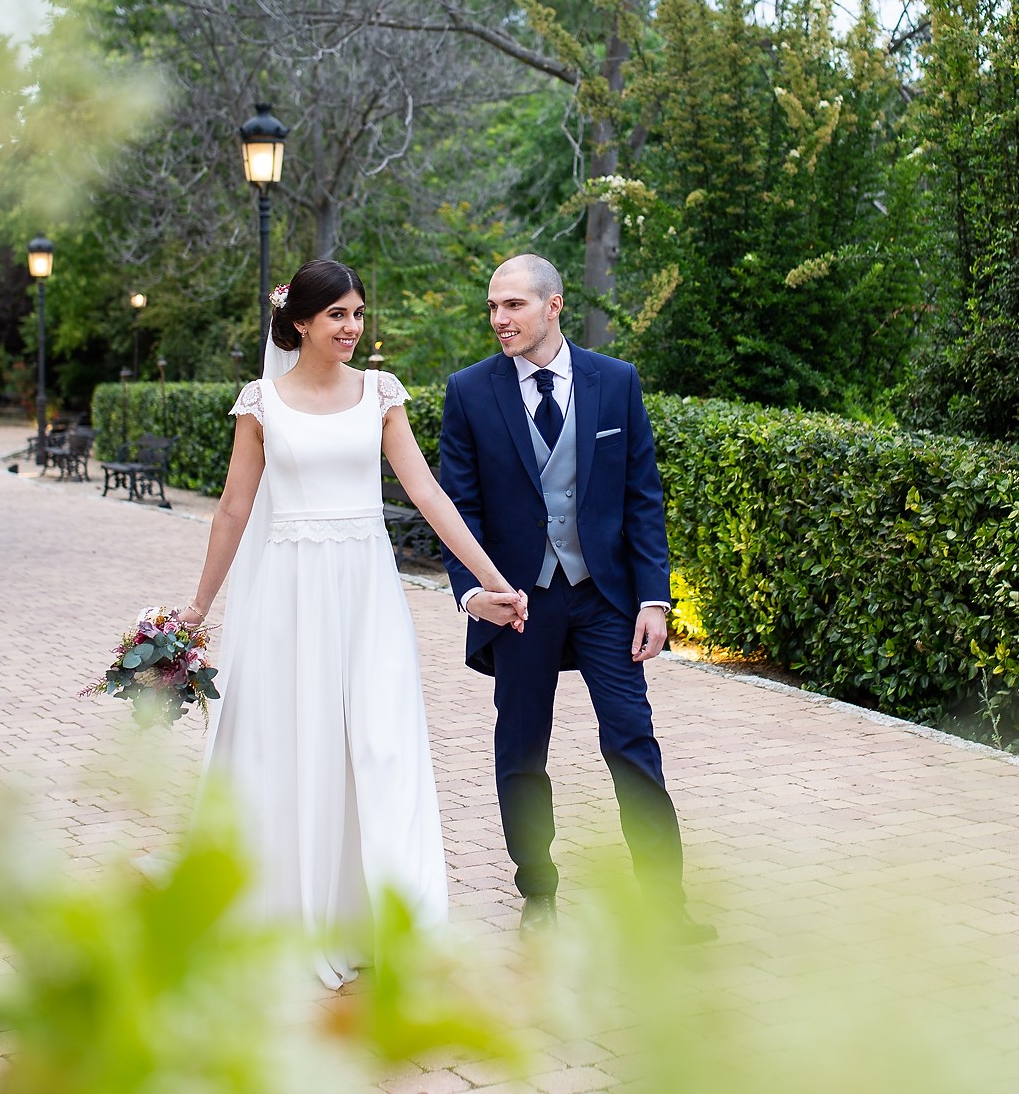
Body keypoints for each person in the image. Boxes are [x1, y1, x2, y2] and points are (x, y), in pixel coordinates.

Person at [182, 258, 527, 989]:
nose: (352, 327)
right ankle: (295, 914)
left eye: (358, 313)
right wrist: (198, 608)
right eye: (337, 314)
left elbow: (428, 493)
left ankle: (392, 922)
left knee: (381, 743)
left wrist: (492, 581)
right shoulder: (261, 405)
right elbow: (234, 510)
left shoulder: (380, 394)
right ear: (300, 322)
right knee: (298, 744)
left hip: (368, 593)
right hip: (289, 594)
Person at [437, 254, 713, 941]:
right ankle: (538, 894)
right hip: (518, 602)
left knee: (632, 740)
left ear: (553, 305)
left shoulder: (614, 381)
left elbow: (642, 496)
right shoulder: (469, 392)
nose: (500, 319)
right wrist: (473, 593)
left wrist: (654, 599)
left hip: (603, 597)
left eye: (514, 305)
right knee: (521, 749)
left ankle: (663, 903)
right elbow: (458, 507)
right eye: (493, 306)